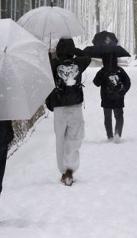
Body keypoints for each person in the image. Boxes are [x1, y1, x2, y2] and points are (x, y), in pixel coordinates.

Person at [46, 38, 91, 186]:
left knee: (60, 139)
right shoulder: (78, 62)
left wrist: (51, 57)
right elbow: (87, 57)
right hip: (76, 106)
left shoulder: (54, 64)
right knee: (74, 139)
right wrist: (75, 51)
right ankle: (70, 171)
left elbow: (45, 76)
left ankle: (63, 171)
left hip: (59, 108)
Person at [92, 54, 131, 142]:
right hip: (119, 98)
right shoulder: (120, 70)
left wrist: (102, 75)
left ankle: (110, 136)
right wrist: (122, 92)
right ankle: (117, 133)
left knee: (107, 118)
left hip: (106, 99)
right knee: (119, 117)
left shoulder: (103, 71)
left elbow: (96, 83)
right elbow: (128, 82)